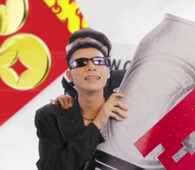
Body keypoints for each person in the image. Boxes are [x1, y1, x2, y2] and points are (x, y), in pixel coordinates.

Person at [35, 40, 129, 170]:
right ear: (70, 76)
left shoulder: (126, 109)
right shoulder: (49, 116)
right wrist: (97, 124)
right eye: (80, 63)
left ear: (108, 72)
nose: (91, 66)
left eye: (99, 61)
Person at [51, 28, 126, 109]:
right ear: (70, 76)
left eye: (87, 45)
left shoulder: (125, 77)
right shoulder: (73, 90)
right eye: (73, 48)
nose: (80, 51)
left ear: (104, 51)